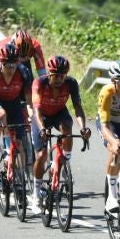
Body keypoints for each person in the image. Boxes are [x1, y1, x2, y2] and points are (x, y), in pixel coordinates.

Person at [30, 54, 90, 208]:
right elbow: (36, 110)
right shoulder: (39, 83)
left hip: (58, 113)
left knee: (67, 129)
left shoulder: (71, 83)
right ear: (49, 74)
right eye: (55, 75)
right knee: (42, 155)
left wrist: (83, 127)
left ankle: (64, 165)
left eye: (62, 76)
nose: (59, 79)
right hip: (41, 116)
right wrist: (42, 128)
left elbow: (77, 107)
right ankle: (36, 192)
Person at [0, 40, 33, 174]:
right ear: (0, 63)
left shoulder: (23, 72)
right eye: (7, 65)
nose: (10, 68)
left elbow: (29, 101)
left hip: (14, 102)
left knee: (19, 144)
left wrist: (32, 117)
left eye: (13, 64)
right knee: (0, 117)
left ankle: (19, 178)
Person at [96, 58, 120, 213]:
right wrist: (113, 140)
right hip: (109, 124)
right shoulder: (107, 92)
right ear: (113, 81)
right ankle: (112, 196)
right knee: (116, 149)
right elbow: (104, 126)